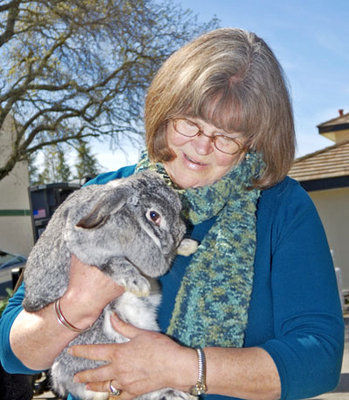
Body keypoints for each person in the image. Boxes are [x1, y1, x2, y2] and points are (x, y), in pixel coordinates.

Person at [0, 28, 344, 400]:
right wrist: (76, 308)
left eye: (227, 137)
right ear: (165, 112)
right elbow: (11, 352)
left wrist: (179, 368)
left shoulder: (282, 208)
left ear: (254, 144)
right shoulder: (103, 195)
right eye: (190, 123)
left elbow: (319, 359)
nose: (200, 147)